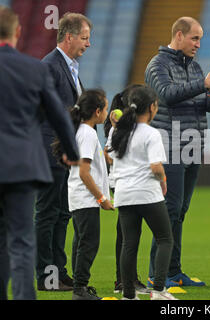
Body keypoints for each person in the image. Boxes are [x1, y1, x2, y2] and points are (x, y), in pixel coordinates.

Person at [0, 6, 79, 300]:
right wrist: (71, 152)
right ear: (18, 33)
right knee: (21, 240)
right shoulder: (34, 69)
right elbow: (59, 116)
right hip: (21, 167)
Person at [144, 16, 210, 287]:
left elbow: (197, 104)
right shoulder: (157, 65)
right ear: (178, 36)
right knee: (169, 210)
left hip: (192, 147)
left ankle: (174, 271)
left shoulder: (194, 67)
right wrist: (203, 85)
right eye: (195, 38)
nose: (198, 44)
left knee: (180, 211)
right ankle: (157, 274)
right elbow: (167, 95)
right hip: (169, 147)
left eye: (200, 39)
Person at [34, 12, 92, 291]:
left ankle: (58, 273)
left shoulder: (68, 67)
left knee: (61, 215)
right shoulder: (50, 66)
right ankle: (46, 276)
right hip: (50, 152)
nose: (88, 44)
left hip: (64, 154)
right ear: (68, 37)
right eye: (84, 38)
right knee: (47, 214)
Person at [109, 85, 177, 300]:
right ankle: (158, 290)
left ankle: (129, 295)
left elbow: (110, 157)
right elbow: (156, 167)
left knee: (129, 244)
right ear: (152, 107)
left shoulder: (116, 130)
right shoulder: (150, 133)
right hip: (147, 193)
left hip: (123, 193)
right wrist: (163, 181)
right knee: (165, 238)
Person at [53, 89, 114, 300]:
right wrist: (102, 198)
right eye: (105, 108)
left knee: (81, 242)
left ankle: (80, 287)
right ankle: (80, 289)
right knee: (88, 244)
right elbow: (84, 171)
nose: (107, 112)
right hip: (86, 198)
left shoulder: (82, 131)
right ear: (97, 111)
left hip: (78, 198)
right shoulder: (87, 133)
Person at [103, 85, 149, 295]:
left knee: (126, 230)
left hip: (123, 182)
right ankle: (124, 280)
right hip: (125, 182)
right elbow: (109, 154)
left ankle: (126, 279)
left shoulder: (123, 127)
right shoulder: (123, 129)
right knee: (127, 231)